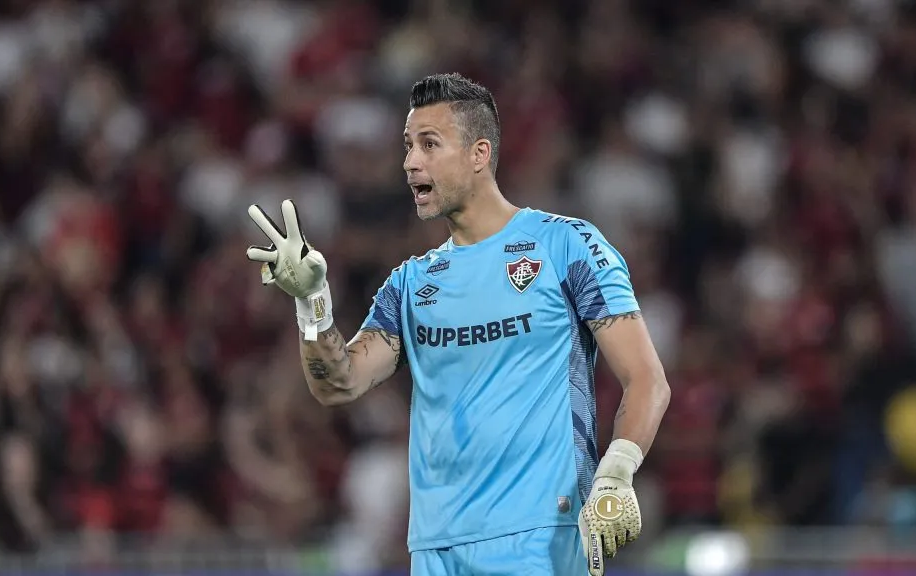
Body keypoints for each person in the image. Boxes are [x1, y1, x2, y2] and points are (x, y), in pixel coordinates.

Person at [245, 73, 671, 576]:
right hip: (437, 548)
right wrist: (311, 302)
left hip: (541, 540)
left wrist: (616, 474)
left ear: (478, 154)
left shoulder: (567, 246)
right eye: (407, 146)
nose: (410, 162)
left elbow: (646, 379)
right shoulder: (410, 283)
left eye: (429, 144)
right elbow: (339, 383)